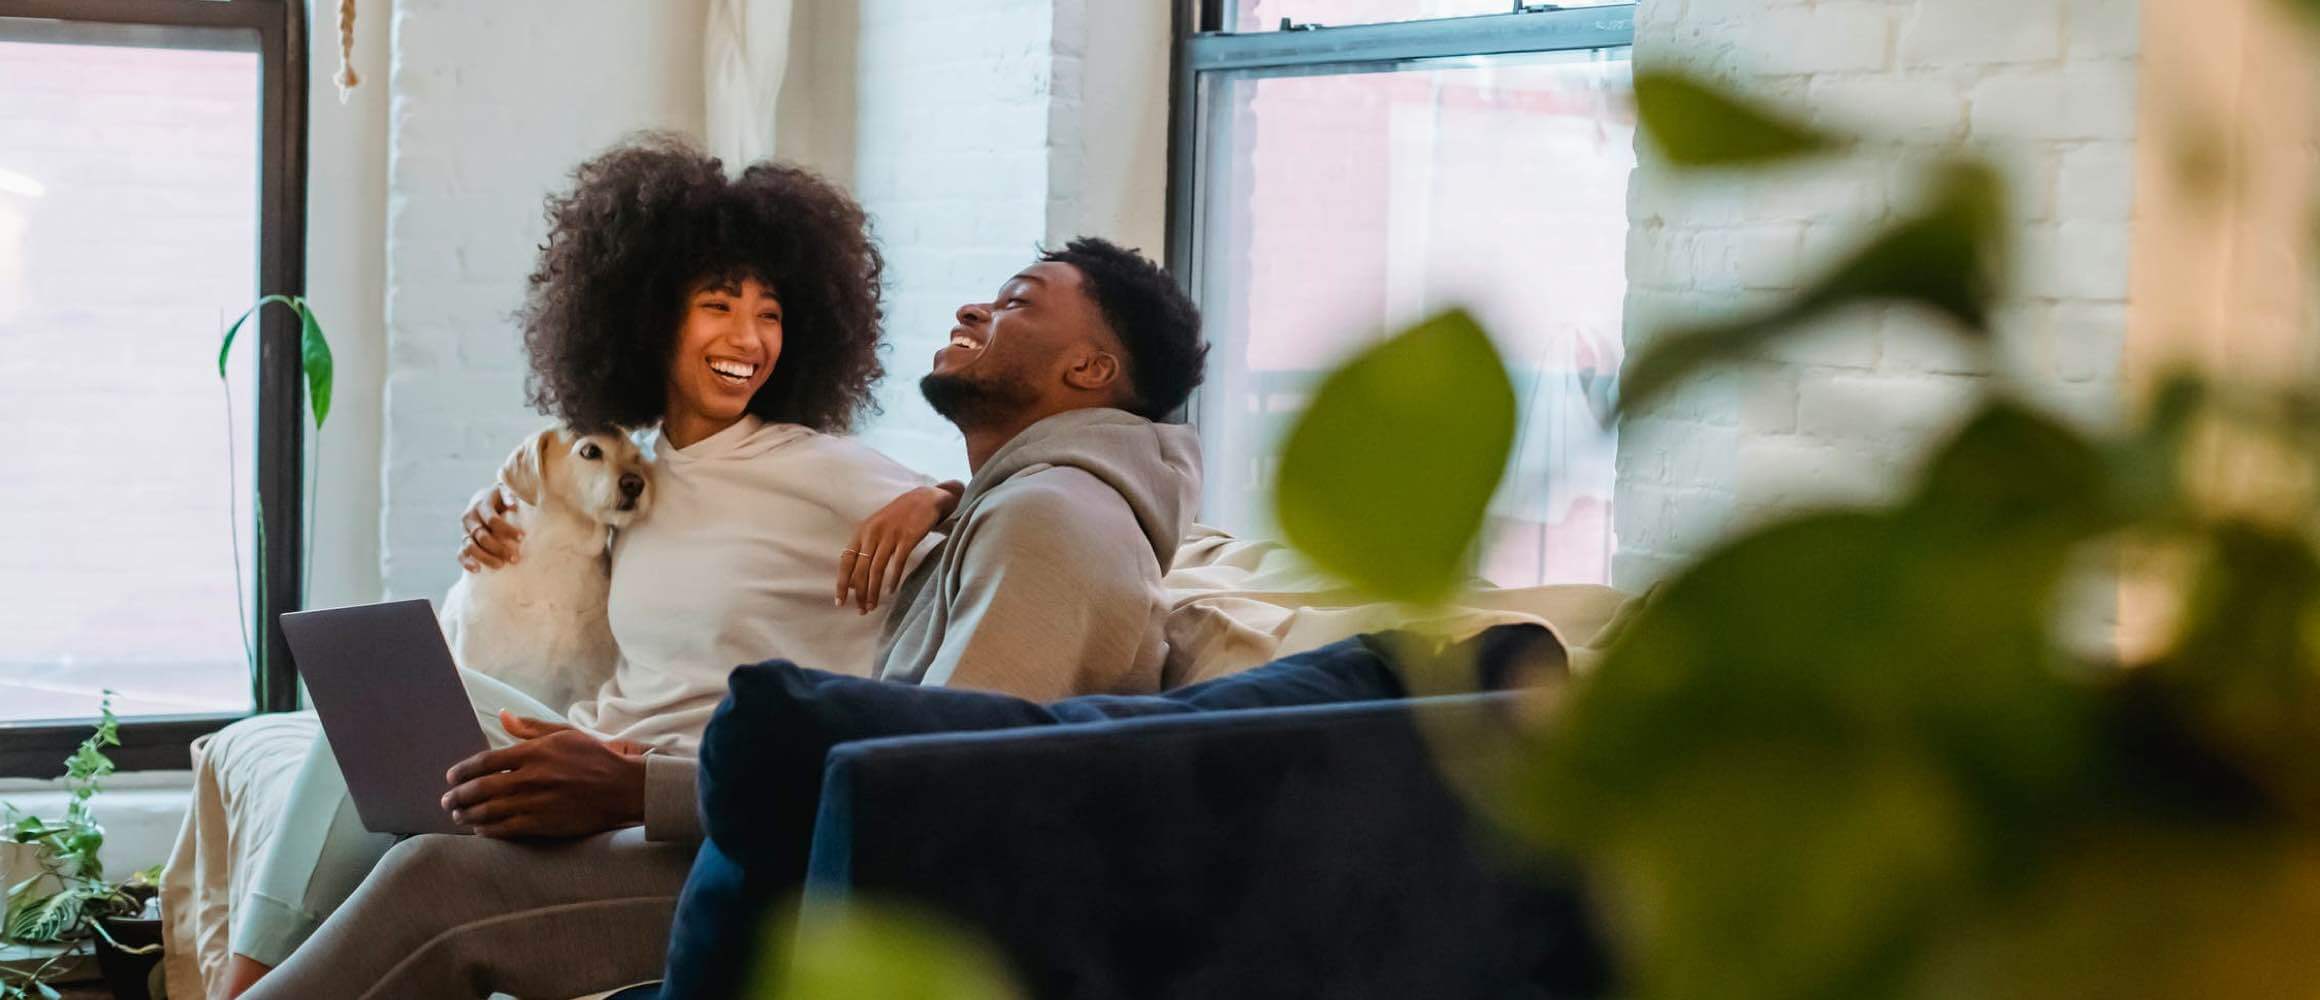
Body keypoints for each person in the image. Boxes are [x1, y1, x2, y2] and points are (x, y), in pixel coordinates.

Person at [240, 236, 1213, 999]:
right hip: (775, 822)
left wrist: (639, 793)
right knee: (383, 717)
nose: (973, 306)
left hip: (827, 892)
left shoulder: (1050, 519)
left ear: (1088, 372)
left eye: (1015, 302)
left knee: (437, 882)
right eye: (713, 307)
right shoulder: (1033, 506)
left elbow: (944, 790)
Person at [226, 135, 960, 996]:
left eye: (771, 313)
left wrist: (939, 495)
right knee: (374, 698)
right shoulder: (637, 474)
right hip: (591, 745)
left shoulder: (818, 465)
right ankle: (240, 984)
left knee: (419, 858)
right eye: (718, 306)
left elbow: (996, 535)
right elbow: (552, 514)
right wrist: (497, 511)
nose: (749, 338)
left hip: (683, 794)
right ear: (651, 317)